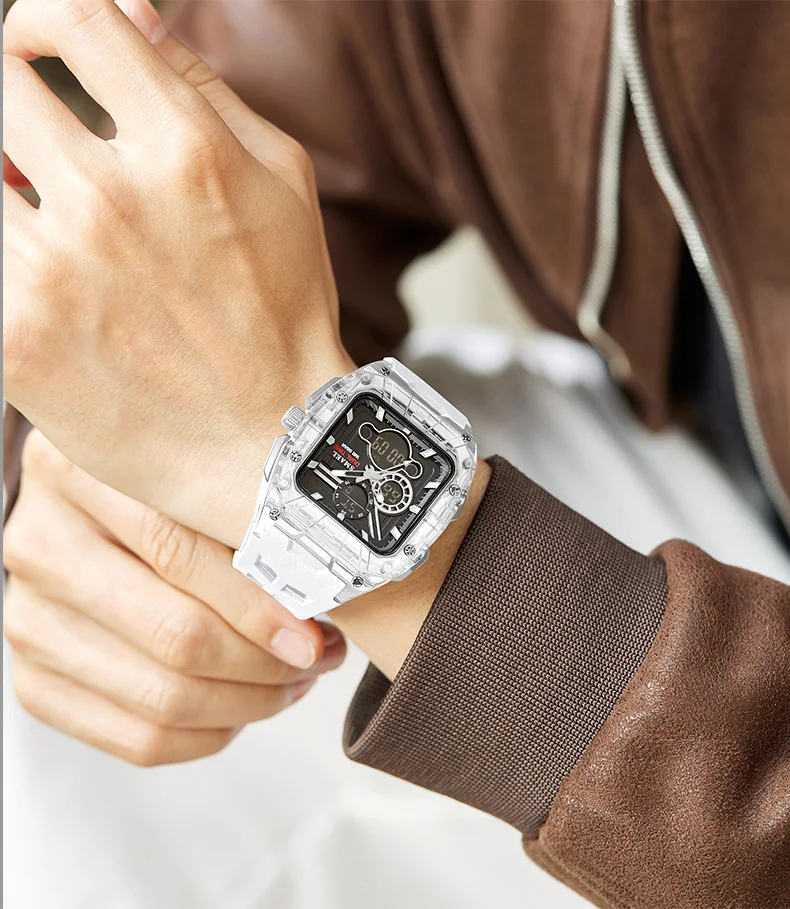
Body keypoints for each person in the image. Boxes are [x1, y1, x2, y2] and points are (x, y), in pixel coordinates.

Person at [3, 1, 788, 907]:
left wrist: (459, 594)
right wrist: (84, 441)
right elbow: (303, 104)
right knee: (93, 665)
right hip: (684, 502)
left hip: (707, 716)